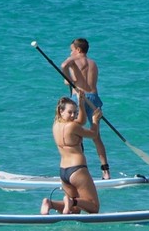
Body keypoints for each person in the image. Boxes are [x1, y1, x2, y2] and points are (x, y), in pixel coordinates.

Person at [40, 96, 103, 215]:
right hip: (77, 170)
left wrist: (81, 104)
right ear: (61, 111)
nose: (73, 115)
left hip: (64, 171)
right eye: (70, 112)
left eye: (75, 112)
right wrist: (95, 120)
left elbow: (81, 121)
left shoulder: (56, 125)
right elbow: (93, 134)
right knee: (94, 206)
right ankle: (70, 201)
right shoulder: (73, 127)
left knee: (74, 210)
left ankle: (50, 203)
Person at [61, 38, 110, 179]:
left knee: (76, 134)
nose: (70, 52)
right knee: (96, 136)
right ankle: (106, 172)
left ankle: (78, 170)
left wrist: (67, 77)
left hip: (79, 98)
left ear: (77, 50)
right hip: (94, 98)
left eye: (71, 49)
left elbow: (63, 65)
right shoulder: (93, 64)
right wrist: (72, 79)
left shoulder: (73, 59)